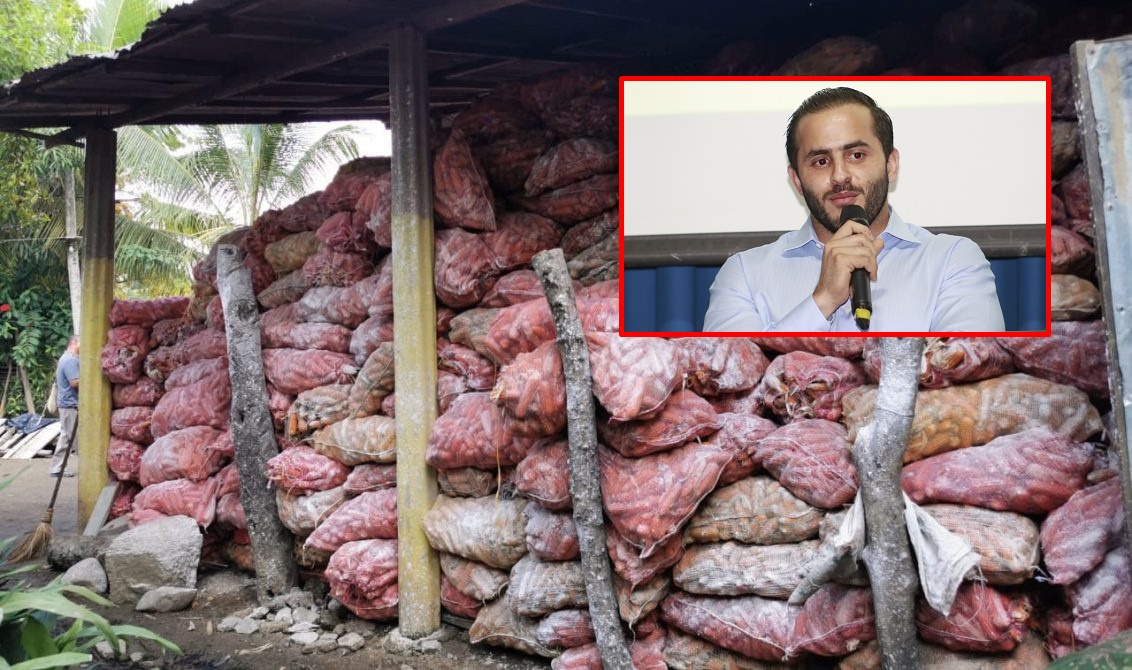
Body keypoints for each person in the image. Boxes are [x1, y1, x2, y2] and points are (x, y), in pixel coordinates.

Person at [703, 87, 1005, 332]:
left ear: (891, 164)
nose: (840, 176)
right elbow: (733, 380)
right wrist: (822, 300)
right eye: (821, 161)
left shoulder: (951, 261)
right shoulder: (744, 274)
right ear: (796, 179)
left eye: (856, 155)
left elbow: (966, 372)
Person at [49, 336, 79, 477]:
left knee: (66, 436)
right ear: (74, 343)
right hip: (69, 403)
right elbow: (74, 382)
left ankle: (57, 467)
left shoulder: (68, 358)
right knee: (75, 437)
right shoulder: (70, 360)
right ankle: (58, 467)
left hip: (67, 403)